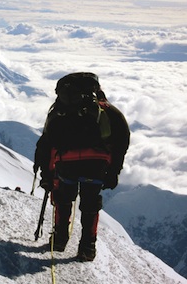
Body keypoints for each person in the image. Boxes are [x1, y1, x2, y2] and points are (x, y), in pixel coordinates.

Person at [34, 72, 130, 262]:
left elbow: (46, 144)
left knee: (62, 199)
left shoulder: (59, 111)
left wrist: (46, 173)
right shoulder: (107, 111)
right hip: (95, 164)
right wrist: (113, 171)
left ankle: (59, 240)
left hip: (66, 164)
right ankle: (87, 247)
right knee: (90, 205)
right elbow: (121, 139)